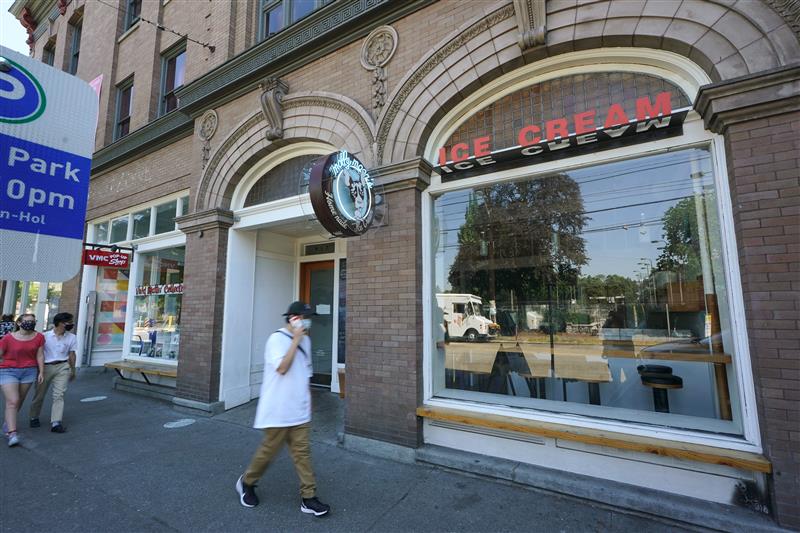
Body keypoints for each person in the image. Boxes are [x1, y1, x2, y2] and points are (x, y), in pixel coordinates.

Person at [235, 301, 330, 517]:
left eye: (309, 317)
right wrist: (295, 340)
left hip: (299, 411)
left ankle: (309, 498)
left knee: (302, 455)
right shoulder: (276, 339)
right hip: (277, 409)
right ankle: (247, 482)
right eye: (304, 317)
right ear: (292, 318)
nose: (308, 321)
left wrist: (309, 402)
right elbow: (283, 368)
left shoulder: (305, 341)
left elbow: (305, 373)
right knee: (268, 453)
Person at [0, 313, 45, 447]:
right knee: (13, 400)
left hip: (29, 371)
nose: (30, 323)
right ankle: (12, 433)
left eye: (33, 321)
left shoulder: (39, 337)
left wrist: (41, 372)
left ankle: (8, 422)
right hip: (8, 371)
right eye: (27, 321)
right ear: (19, 323)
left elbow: (40, 355)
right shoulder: (8, 338)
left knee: (18, 401)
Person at [29, 312, 77, 433]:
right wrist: (39, 370)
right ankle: (34, 416)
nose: (71, 324)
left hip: (63, 367)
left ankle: (56, 423)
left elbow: (72, 354)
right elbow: (38, 353)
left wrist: (73, 369)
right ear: (60, 323)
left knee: (59, 395)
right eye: (69, 322)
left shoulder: (72, 337)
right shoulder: (44, 336)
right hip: (45, 368)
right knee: (39, 394)